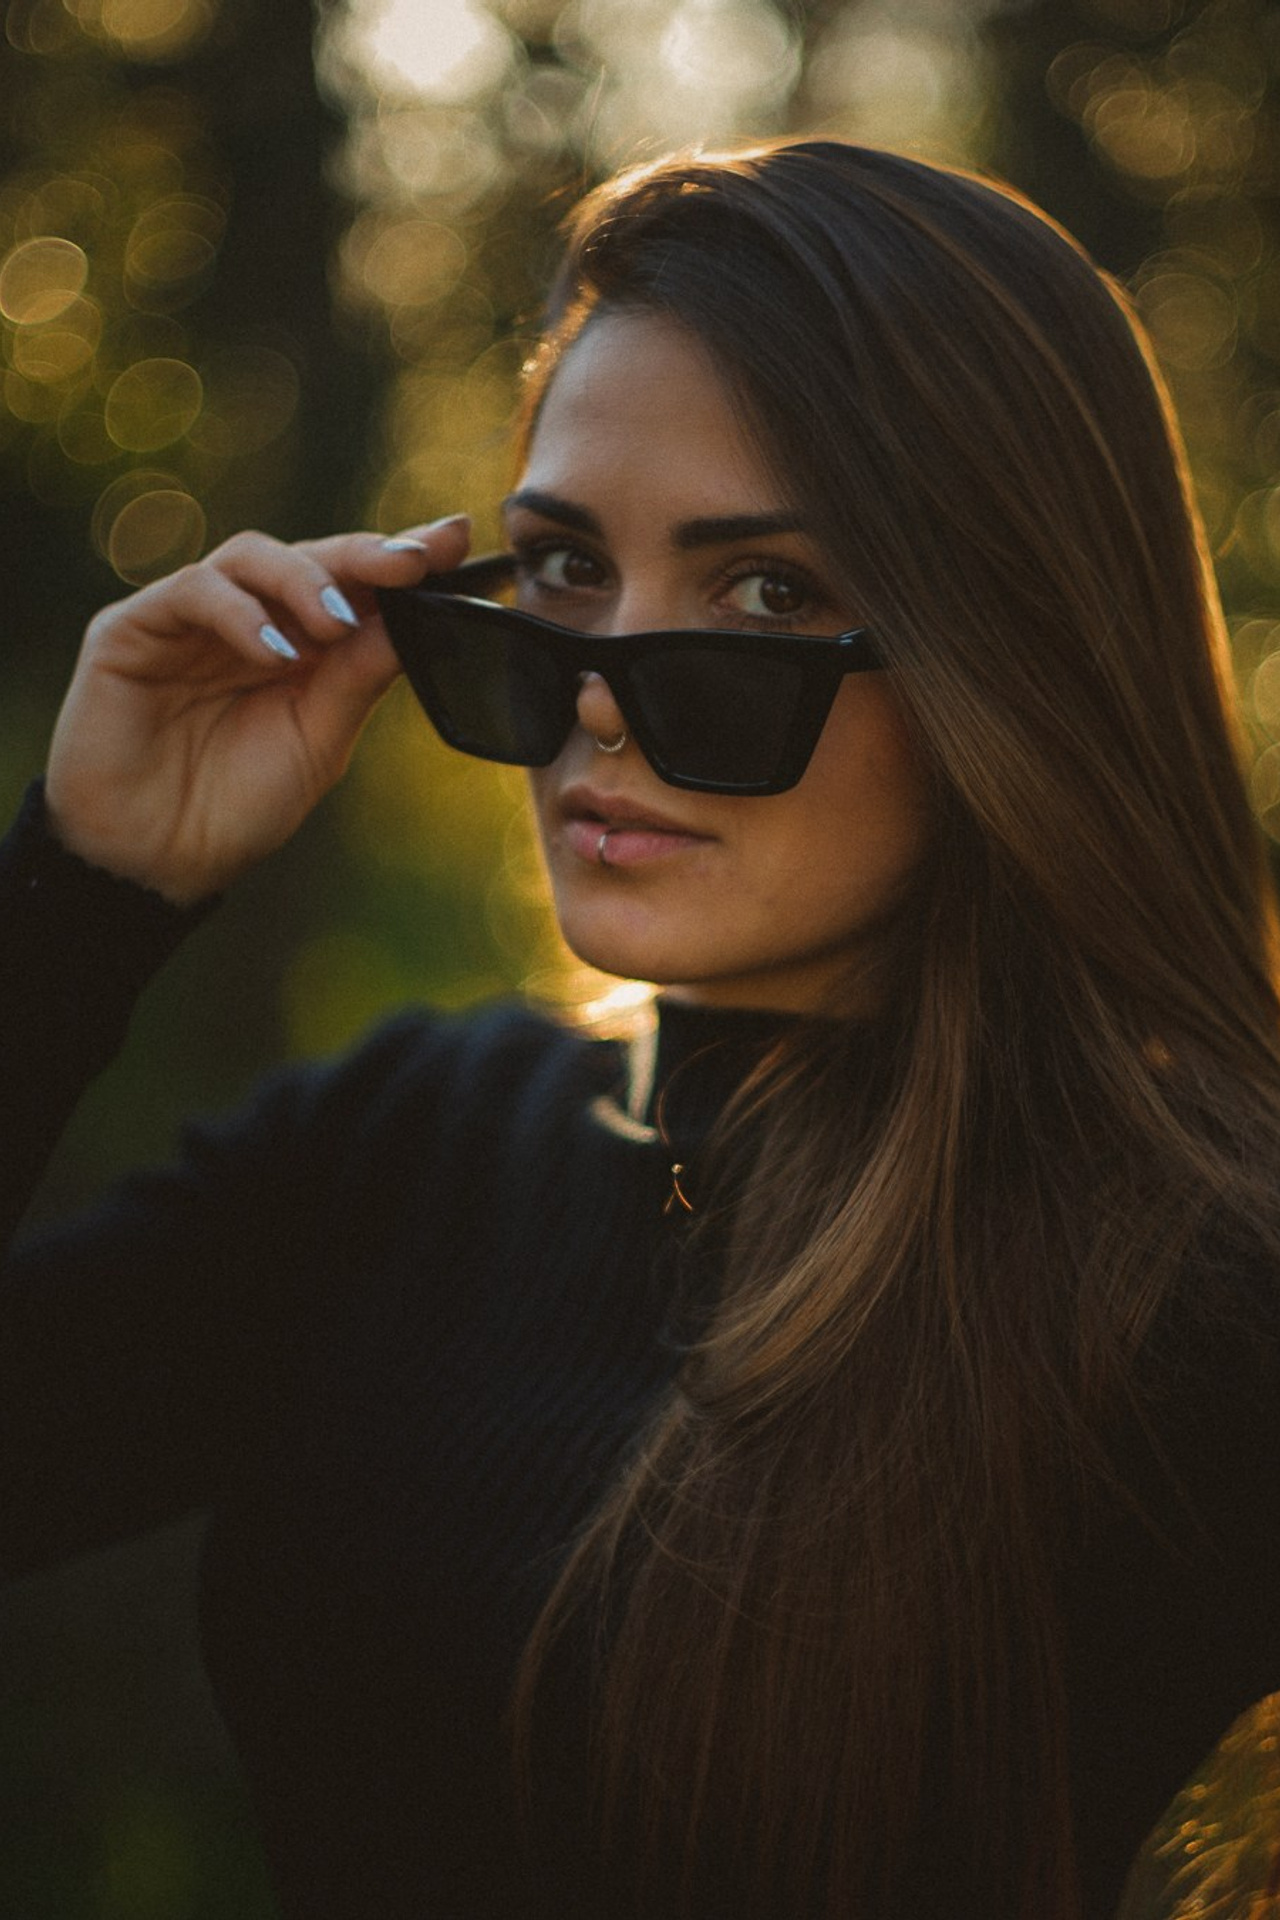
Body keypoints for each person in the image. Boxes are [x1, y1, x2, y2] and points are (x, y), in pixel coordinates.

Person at [3, 136, 1279, 1920]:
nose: (597, 696)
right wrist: (81, 899)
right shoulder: (403, 1146)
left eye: (766, 593)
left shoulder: (1206, 1302)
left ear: (1012, 658)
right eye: (560, 569)